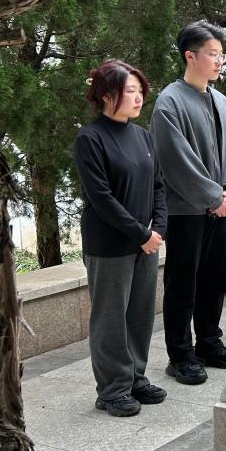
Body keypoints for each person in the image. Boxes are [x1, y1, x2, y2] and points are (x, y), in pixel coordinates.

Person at [151, 20, 226, 386]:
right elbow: (175, 162)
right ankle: (180, 354)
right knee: (183, 283)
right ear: (190, 56)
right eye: (213, 54)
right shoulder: (169, 102)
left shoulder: (222, 102)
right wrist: (213, 197)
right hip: (185, 211)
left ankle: (209, 342)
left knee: (213, 279)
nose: (219, 61)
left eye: (221, 55)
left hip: (221, 209)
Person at [74, 60, 167, 417]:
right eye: (131, 91)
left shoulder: (142, 136)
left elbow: (159, 186)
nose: (139, 97)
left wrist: (158, 229)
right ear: (107, 95)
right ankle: (112, 389)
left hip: (146, 243)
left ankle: (135, 377)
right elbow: (102, 199)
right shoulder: (90, 138)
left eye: (141, 91)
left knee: (140, 315)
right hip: (110, 246)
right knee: (111, 319)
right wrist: (142, 233)